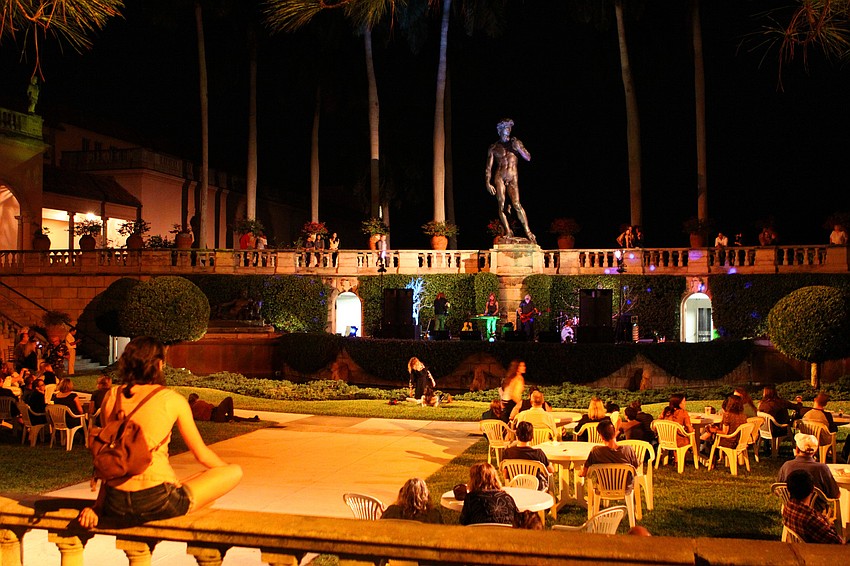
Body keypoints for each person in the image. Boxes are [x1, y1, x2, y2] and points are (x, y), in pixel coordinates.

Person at [75, 336, 242, 529]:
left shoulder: (112, 396)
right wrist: (222, 470)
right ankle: (177, 489)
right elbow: (201, 454)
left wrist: (98, 506)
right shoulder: (171, 400)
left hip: (115, 503)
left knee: (189, 487)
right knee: (233, 472)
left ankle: (175, 486)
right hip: (156, 501)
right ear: (159, 364)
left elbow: (112, 454)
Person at [485, 118, 535, 243]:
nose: (509, 130)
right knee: (501, 205)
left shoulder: (515, 143)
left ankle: (528, 231)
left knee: (517, 204)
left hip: (512, 177)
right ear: (500, 130)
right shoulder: (494, 147)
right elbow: (488, 168)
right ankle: (508, 231)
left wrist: (519, 148)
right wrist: (487, 183)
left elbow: (528, 158)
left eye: (510, 127)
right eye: (507, 128)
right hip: (499, 176)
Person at [781, 469, 844, 544]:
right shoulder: (810, 519)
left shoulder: (789, 506)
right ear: (812, 490)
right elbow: (838, 542)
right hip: (820, 551)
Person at [579, 420, 640, 494]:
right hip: (625, 488)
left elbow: (584, 473)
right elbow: (635, 467)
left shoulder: (596, 451)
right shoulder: (628, 449)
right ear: (615, 433)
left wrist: (581, 472)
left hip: (604, 487)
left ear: (601, 436)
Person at [777, 433, 840, 500]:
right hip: (816, 509)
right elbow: (835, 494)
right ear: (814, 451)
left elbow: (778, 490)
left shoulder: (787, 465)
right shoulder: (822, 468)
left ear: (797, 449)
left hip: (791, 507)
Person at [503, 421, 554, 490]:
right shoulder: (538, 453)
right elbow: (550, 470)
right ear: (532, 437)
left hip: (514, 485)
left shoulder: (508, 452)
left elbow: (505, 474)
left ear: (517, 435)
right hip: (535, 487)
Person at [187, 393, 259, 423]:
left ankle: (253, 419)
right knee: (229, 399)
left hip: (215, 418)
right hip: (215, 414)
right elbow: (209, 407)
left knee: (235, 417)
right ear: (195, 399)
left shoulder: (190, 410)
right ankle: (231, 418)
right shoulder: (197, 404)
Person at [499, 360, 526, 424]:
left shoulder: (510, 378)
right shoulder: (518, 378)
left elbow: (502, 390)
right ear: (517, 367)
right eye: (521, 366)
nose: (524, 367)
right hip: (512, 404)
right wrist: (521, 404)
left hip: (505, 403)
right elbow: (514, 395)